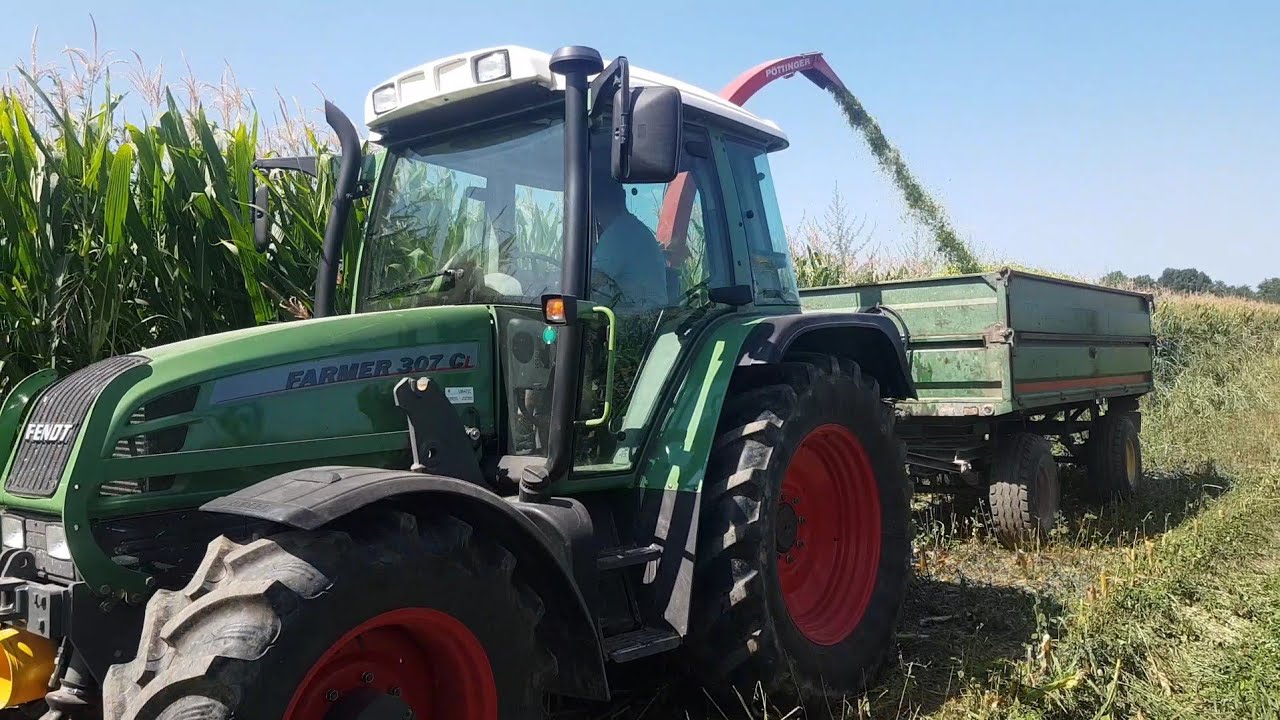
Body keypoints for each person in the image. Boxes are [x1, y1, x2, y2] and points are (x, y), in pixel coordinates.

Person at [589, 174, 669, 310]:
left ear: (594, 205)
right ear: (623, 196)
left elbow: (589, 280)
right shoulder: (634, 228)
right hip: (652, 313)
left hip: (638, 317)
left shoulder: (617, 233)